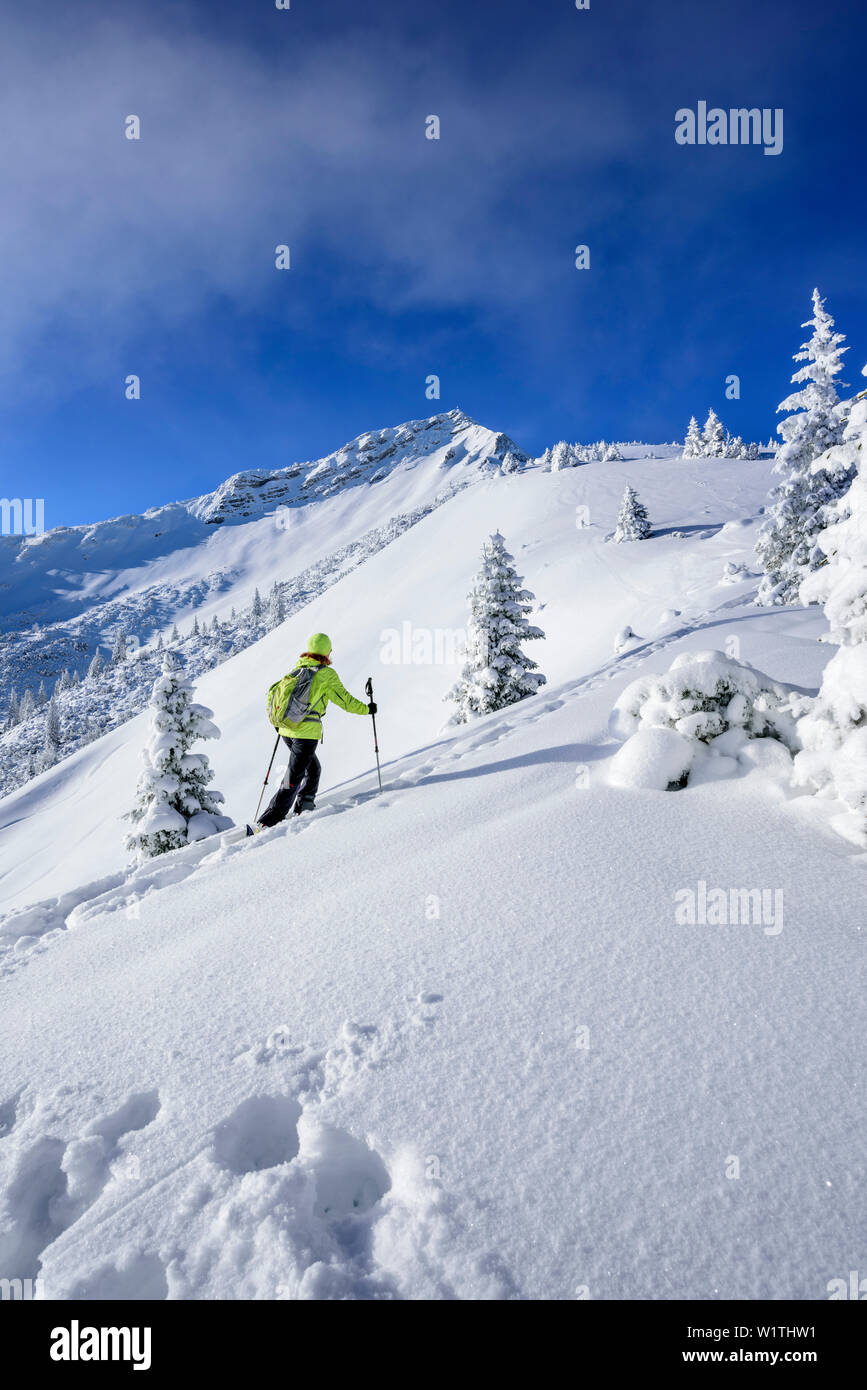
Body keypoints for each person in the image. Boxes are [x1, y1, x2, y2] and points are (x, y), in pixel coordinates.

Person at [254, 633, 375, 829]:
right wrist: (368, 709)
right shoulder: (326, 674)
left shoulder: (298, 668)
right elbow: (345, 700)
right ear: (327, 651)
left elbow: (272, 694)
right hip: (306, 733)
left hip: (286, 730)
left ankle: (304, 807)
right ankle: (268, 821)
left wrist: (278, 723)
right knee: (293, 778)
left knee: (312, 769)